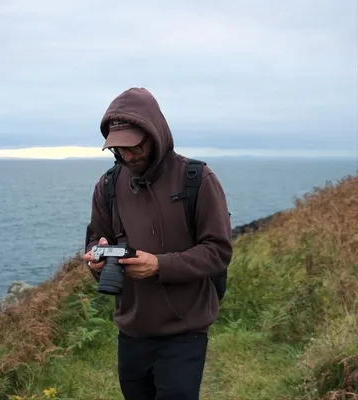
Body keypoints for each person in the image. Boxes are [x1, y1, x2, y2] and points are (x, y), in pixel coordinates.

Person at [83, 87, 232, 400]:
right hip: (131, 329)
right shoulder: (108, 185)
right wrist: (97, 260)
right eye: (119, 148)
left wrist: (159, 265)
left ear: (156, 135)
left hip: (185, 330)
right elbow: (96, 241)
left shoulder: (197, 179)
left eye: (135, 145)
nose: (128, 155)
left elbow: (218, 251)